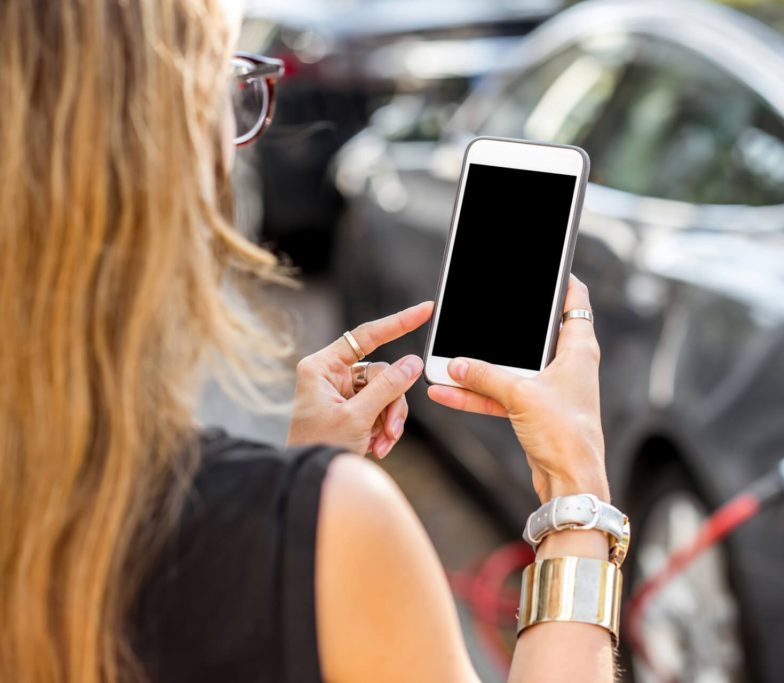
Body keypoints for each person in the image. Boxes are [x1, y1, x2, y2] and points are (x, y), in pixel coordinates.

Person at [0, 1, 625, 682]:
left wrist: (291, 494)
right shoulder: (338, 528)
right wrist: (576, 496)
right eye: (231, 81)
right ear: (161, 144)